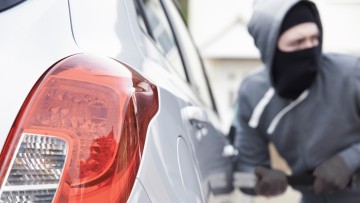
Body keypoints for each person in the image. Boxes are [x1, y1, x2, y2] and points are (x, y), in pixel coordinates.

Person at [232, 0, 360, 202]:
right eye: (297, 43)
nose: (309, 49)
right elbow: (245, 170)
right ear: (271, 47)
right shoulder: (253, 94)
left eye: (314, 39)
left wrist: (349, 160)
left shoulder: (351, 73)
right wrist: (259, 179)